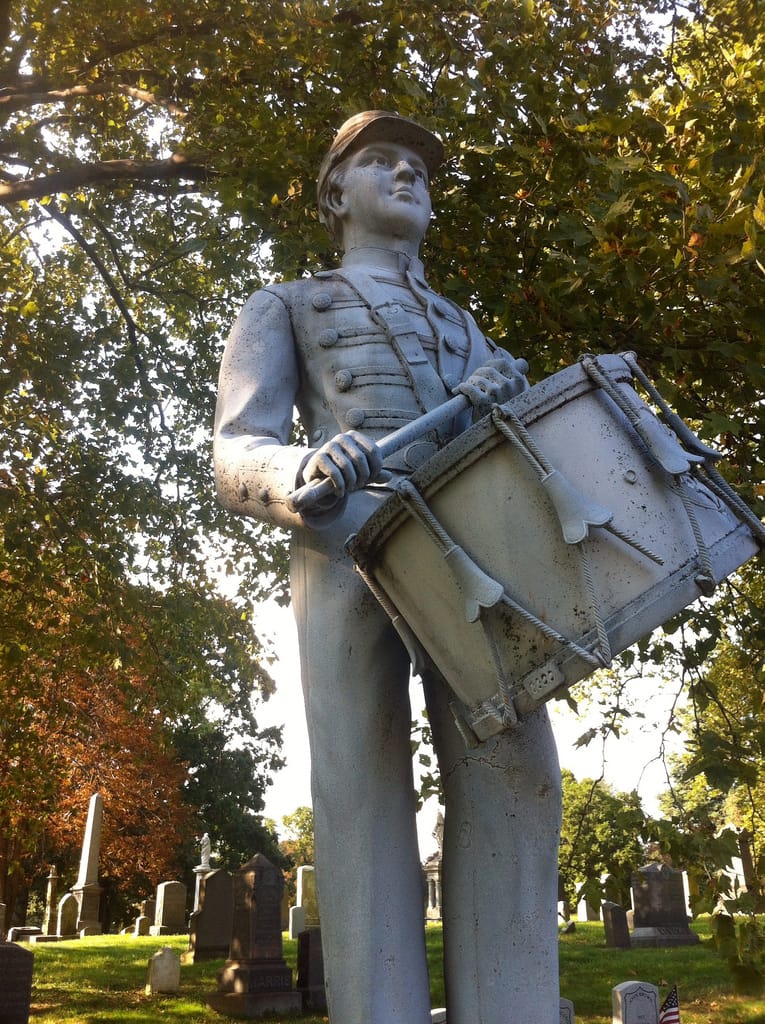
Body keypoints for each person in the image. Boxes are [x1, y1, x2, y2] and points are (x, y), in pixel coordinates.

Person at [214, 110, 562, 1024]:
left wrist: (502, 402)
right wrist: (299, 469)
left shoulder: (464, 328)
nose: (407, 175)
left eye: (418, 167)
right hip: (346, 550)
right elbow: (234, 450)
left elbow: (516, 459)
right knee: (363, 797)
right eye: (380, 161)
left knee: (518, 773)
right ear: (335, 191)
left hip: (474, 557)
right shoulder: (285, 304)